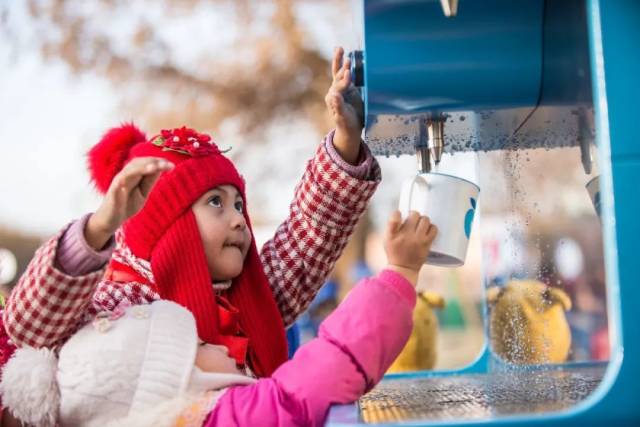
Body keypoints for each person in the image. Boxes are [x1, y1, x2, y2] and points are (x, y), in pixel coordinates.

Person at [2, 47, 379, 381]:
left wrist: (346, 141)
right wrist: (101, 226)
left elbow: (309, 234)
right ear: (167, 225)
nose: (237, 219)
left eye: (238, 204)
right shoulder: (122, 306)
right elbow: (29, 326)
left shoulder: (251, 301)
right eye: (215, 202)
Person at [1, 211, 437, 427]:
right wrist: (400, 273)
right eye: (197, 346)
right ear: (176, 382)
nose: (214, 341)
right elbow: (329, 367)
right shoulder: (223, 416)